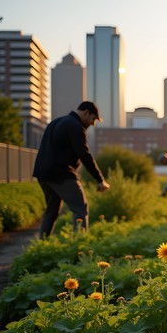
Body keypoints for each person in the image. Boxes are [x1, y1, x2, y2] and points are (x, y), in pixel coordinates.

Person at [33, 101, 110, 239]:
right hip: (61, 174)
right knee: (81, 208)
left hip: (43, 174)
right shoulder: (75, 126)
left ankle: (42, 243)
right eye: (93, 119)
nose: (93, 123)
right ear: (86, 113)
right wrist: (100, 179)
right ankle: (79, 246)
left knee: (52, 211)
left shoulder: (56, 122)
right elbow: (84, 154)